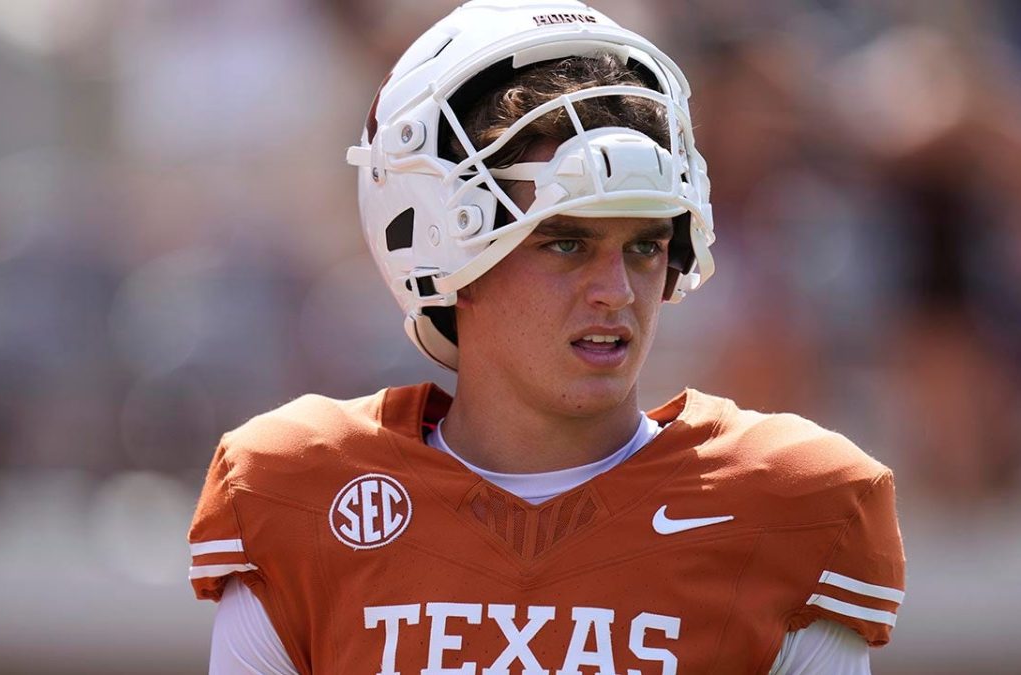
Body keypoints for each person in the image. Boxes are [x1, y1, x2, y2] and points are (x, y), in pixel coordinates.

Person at [187, 1, 906, 673]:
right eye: (565, 244)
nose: (617, 292)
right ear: (448, 251)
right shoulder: (304, 496)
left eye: (645, 246)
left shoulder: (780, 506)